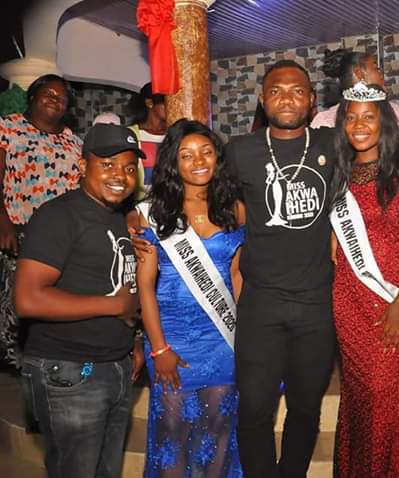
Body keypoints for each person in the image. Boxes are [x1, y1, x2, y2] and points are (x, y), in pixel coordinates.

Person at [225, 60, 337, 478]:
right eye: (276, 91)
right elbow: (206, 200)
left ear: (311, 100)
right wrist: (141, 216)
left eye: (296, 91)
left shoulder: (333, 144)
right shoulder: (241, 151)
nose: (286, 99)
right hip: (261, 305)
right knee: (254, 408)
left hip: (316, 305)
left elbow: (383, 163)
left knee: (306, 409)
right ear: (262, 99)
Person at [14, 123, 141, 478]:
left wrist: (133, 341)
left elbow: (115, 281)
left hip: (114, 366)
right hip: (69, 371)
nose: (120, 175)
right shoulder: (59, 216)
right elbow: (27, 298)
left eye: (129, 168)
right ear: (83, 166)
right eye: (108, 164)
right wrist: (115, 306)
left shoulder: (118, 218)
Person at [135, 119, 245, 477]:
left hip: (222, 339)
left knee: (219, 431)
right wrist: (159, 349)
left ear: (217, 158)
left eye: (206, 152)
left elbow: (236, 276)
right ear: (173, 163)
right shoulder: (152, 214)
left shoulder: (235, 209)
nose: (198, 161)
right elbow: (145, 287)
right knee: (172, 436)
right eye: (187, 155)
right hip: (171, 340)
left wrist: (244, 338)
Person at [329, 82, 399, 477]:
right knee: (358, 395)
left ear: (384, 124)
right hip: (347, 299)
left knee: (384, 393)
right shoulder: (338, 175)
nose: (360, 125)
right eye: (352, 118)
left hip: (389, 300)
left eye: (369, 117)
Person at [0, 74, 83, 366]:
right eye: (49, 94)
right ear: (33, 97)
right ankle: (15, 361)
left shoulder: (73, 141)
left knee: (54, 300)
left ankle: (46, 358)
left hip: (63, 236)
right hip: (19, 229)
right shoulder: (7, 127)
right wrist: (3, 219)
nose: (55, 101)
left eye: (61, 98)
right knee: (16, 302)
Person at [311, 48, 399, 149]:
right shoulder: (325, 121)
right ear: (359, 73)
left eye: (369, 117)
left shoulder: (397, 112)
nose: (382, 76)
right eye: (376, 69)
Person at [128, 82, 167, 194]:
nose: (172, 105)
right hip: (137, 202)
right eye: (166, 101)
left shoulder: (175, 133)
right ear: (150, 103)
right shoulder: (130, 134)